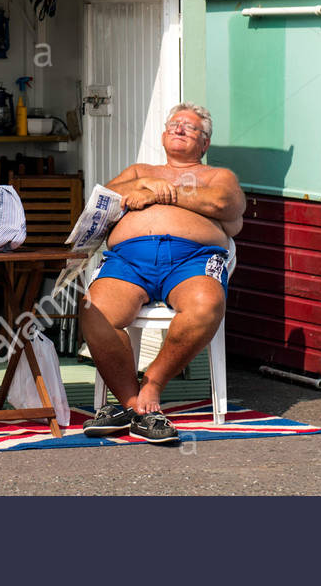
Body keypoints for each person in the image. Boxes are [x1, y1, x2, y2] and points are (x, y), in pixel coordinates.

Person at [79, 102, 244, 444]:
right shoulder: (140, 170)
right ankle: (132, 404)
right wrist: (145, 185)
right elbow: (106, 197)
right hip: (128, 260)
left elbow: (224, 204)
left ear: (205, 143)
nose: (179, 129)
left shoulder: (218, 176)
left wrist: (165, 193)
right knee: (93, 310)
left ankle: (151, 384)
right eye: (173, 125)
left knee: (206, 307)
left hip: (193, 259)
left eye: (189, 127)